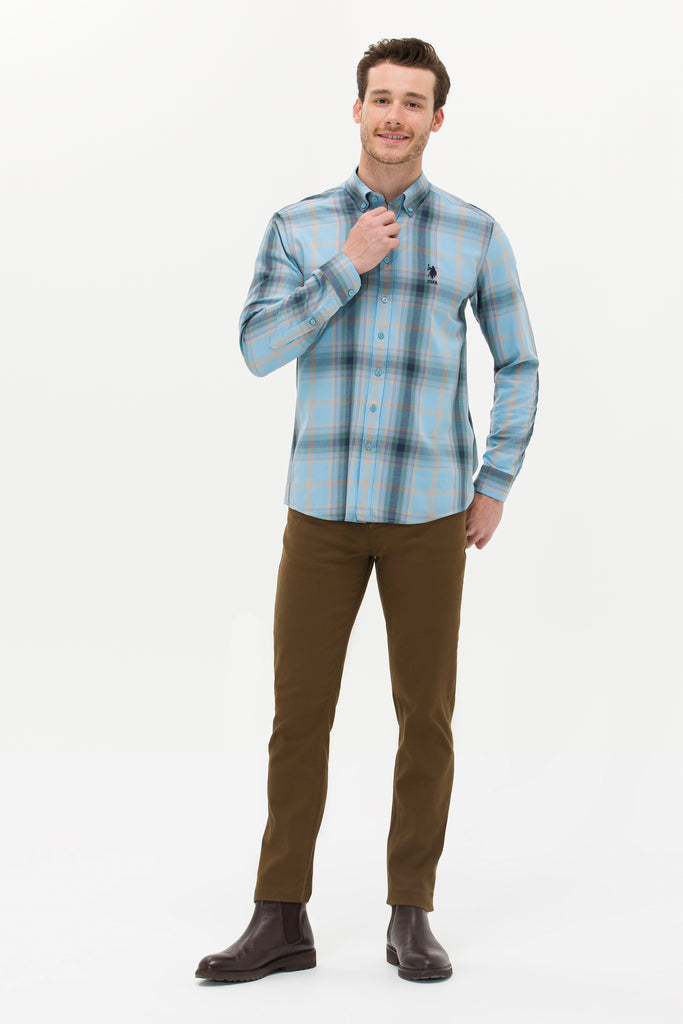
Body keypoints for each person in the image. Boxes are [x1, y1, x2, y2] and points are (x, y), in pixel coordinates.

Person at [196, 36, 539, 985]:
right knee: (298, 715)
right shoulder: (299, 225)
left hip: (430, 515)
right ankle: (280, 916)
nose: (394, 116)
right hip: (321, 511)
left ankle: (409, 914)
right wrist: (344, 267)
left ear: (437, 119)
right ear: (356, 110)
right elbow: (258, 348)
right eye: (381, 98)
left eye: (412, 102)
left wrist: (494, 481)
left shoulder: (474, 233)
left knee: (425, 718)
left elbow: (518, 361)